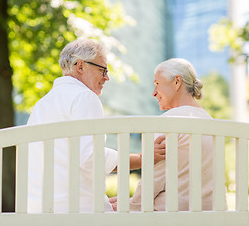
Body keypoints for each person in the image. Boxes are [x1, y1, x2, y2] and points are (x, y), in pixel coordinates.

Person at [27, 38, 165, 213]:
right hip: (78, 211)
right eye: (103, 70)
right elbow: (90, 157)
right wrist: (143, 158)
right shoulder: (84, 97)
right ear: (80, 66)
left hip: (38, 210)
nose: (107, 77)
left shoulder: (42, 104)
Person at [111, 58, 217, 211]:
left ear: (176, 82)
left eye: (157, 84)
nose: (154, 93)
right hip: (210, 211)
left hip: (172, 213)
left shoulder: (168, 122)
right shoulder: (210, 121)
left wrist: (132, 205)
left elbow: (155, 178)